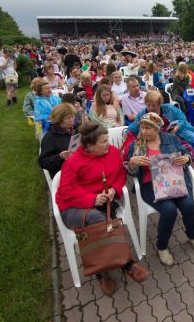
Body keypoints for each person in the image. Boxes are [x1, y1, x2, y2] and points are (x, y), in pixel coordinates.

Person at [56, 122, 148, 296]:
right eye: (103, 141)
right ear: (90, 146)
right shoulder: (74, 162)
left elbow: (121, 172)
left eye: (107, 139)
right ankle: (112, 269)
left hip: (103, 201)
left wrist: (114, 189)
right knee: (99, 219)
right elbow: (66, 191)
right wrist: (92, 198)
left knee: (106, 214)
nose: (108, 144)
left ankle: (114, 263)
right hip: (73, 207)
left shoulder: (112, 152)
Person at [126, 112, 194, 266]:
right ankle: (162, 247)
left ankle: (192, 236)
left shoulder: (171, 138)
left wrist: (186, 159)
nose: (144, 131)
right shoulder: (136, 145)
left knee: (189, 205)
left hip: (173, 181)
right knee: (169, 210)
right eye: (142, 127)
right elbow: (131, 172)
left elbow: (187, 153)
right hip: (151, 185)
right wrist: (133, 162)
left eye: (148, 128)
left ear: (157, 129)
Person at [128, 90, 194, 169]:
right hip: (154, 139)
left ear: (160, 104)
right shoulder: (142, 113)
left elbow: (182, 118)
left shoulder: (169, 108)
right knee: (166, 156)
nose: (150, 108)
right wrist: (127, 133)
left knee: (191, 150)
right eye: (148, 105)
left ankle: (189, 172)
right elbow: (134, 127)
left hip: (173, 137)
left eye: (153, 105)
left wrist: (177, 126)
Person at [38, 103, 76, 178]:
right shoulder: (50, 137)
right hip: (63, 174)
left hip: (76, 167)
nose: (71, 120)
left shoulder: (74, 129)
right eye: (68, 118)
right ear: (59, 120)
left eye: (72, 116)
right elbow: (43, 162)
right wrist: (59, 157)